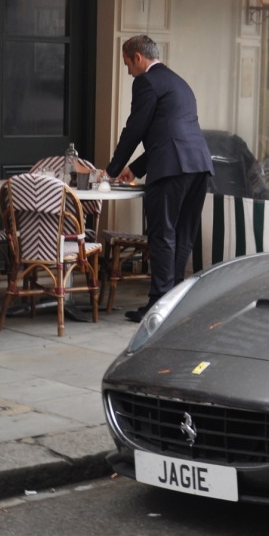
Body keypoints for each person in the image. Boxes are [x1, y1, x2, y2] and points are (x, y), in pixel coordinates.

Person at [105, 35, 214, 323]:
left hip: (171, 169)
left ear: (138, 58)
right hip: (199, 165)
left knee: (162, 235)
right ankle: (175, 303)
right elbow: (170, 132)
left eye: (127, 63)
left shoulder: (145, 82)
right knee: (182, 235)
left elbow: (135, 130)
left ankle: (157, 307)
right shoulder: (179, 82)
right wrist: (136, 168)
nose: (128, 70)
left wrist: (112, 170)